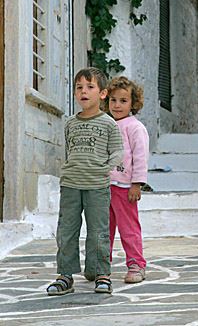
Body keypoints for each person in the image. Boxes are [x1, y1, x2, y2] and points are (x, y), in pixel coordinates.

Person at [47, 67, 124, 296]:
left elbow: (117, 153)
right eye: (79, 87)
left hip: (97, 186)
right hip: (71, 184)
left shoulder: (109, 123)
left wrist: (102, 168)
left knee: (99, 231)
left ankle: (101, 274)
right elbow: (69, 150)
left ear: (102, 94)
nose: (84, 91)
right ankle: (65, 275)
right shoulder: (70, 122)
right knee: (67, 230)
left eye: (90, 87)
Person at [105, 76, 149, 283]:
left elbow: (140, 157)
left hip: (124, 188)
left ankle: (136, 264)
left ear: (133, 103)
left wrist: (136, 184)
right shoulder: (105, 124)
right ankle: (101, 265)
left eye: (123, 101)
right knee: (103, 229)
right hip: (104, 187)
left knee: (128, 229)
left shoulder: (135, 127)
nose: (117, 105)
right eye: (113, 100)